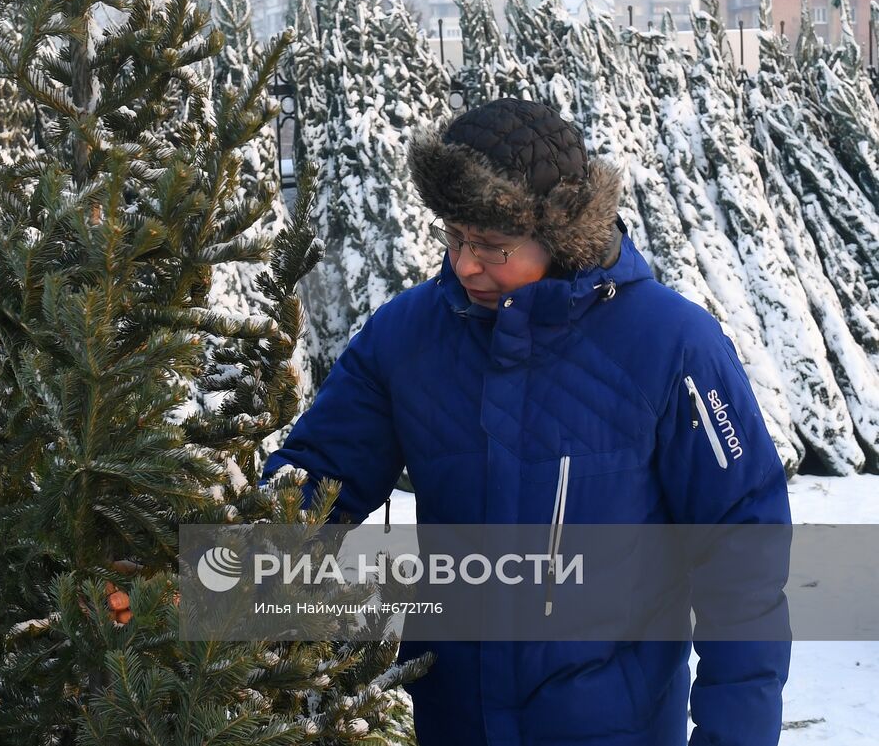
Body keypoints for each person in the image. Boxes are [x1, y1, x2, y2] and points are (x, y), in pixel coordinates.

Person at [260, 98, 791, 746]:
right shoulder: (407, 338)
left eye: (491, 245)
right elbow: (316, 481)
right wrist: (204, 586)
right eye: (454, 236)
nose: (464, 263)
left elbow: (742, 560)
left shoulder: (672, 346)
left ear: (560, 236)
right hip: (455, 724)